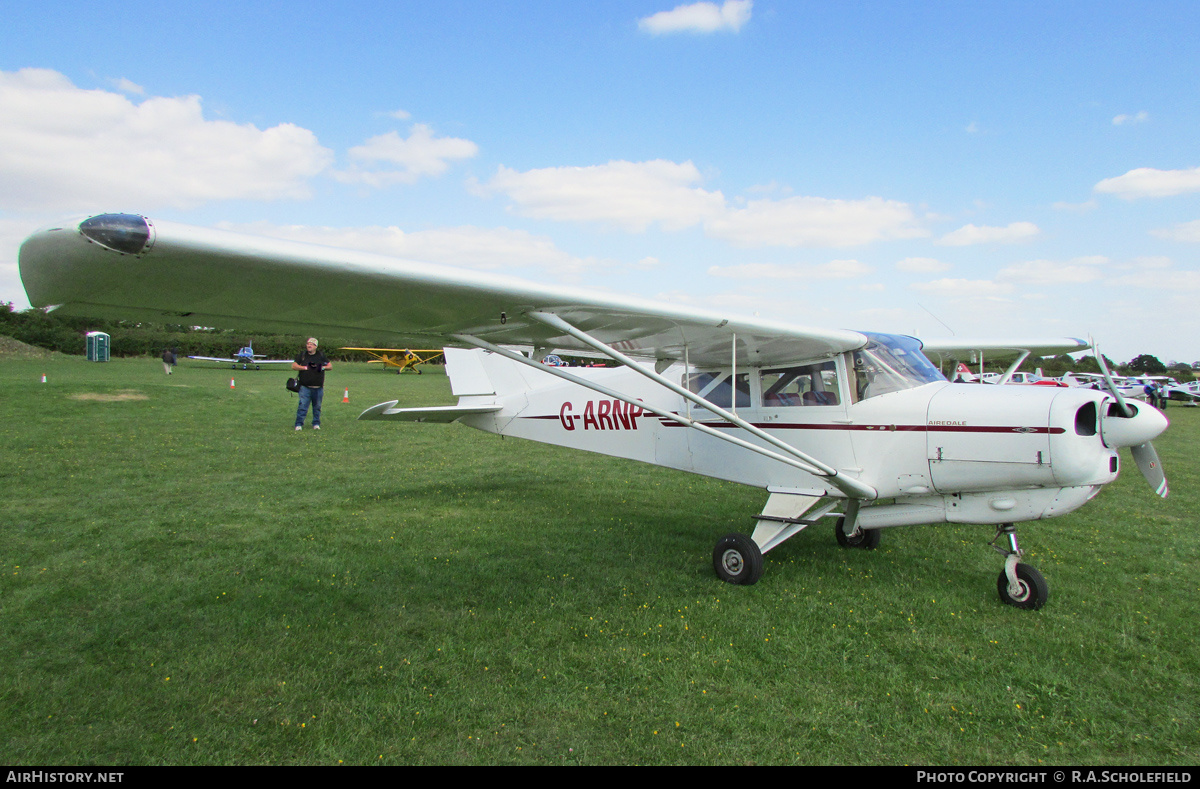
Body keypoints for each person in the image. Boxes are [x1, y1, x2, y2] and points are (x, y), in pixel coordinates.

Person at [292, 338, 332, 430]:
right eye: (308, 344)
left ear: (316, 346)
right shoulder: (302, 355)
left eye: (311, 344)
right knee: (302, 406)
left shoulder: (321, 355)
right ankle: (298, 424)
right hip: (305, 387)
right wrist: (305, 368)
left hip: (318, 387)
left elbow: (330, 366)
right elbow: (294, 366)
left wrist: (322, 367)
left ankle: (316, 423)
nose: (309, 346)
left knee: (317, 407)